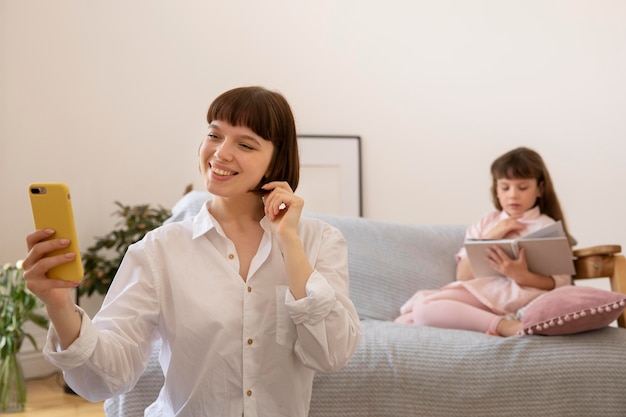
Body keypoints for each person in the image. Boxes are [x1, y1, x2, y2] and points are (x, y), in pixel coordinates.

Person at [23, 86, 362, 416]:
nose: (220, 152)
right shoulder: (158, 250)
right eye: (215, 135)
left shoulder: (321, 242)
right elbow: (104, 379)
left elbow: (331, 354)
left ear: (277, 162)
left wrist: (289, 242)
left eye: (245, 144)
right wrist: (60, 306)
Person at [394, 147, 574, 337]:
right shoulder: (486, 223)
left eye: (522, 188)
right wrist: (491, 235)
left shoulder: (547, 227)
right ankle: (493, 323)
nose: (513, 195)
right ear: (496, 189)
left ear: (540, 189)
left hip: (521, 297)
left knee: (424, 311)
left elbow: (561, 284)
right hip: (485, 294)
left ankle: (504, 326)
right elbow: (463, 275)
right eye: (505, 187)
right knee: (406, 319)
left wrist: (521, 275)